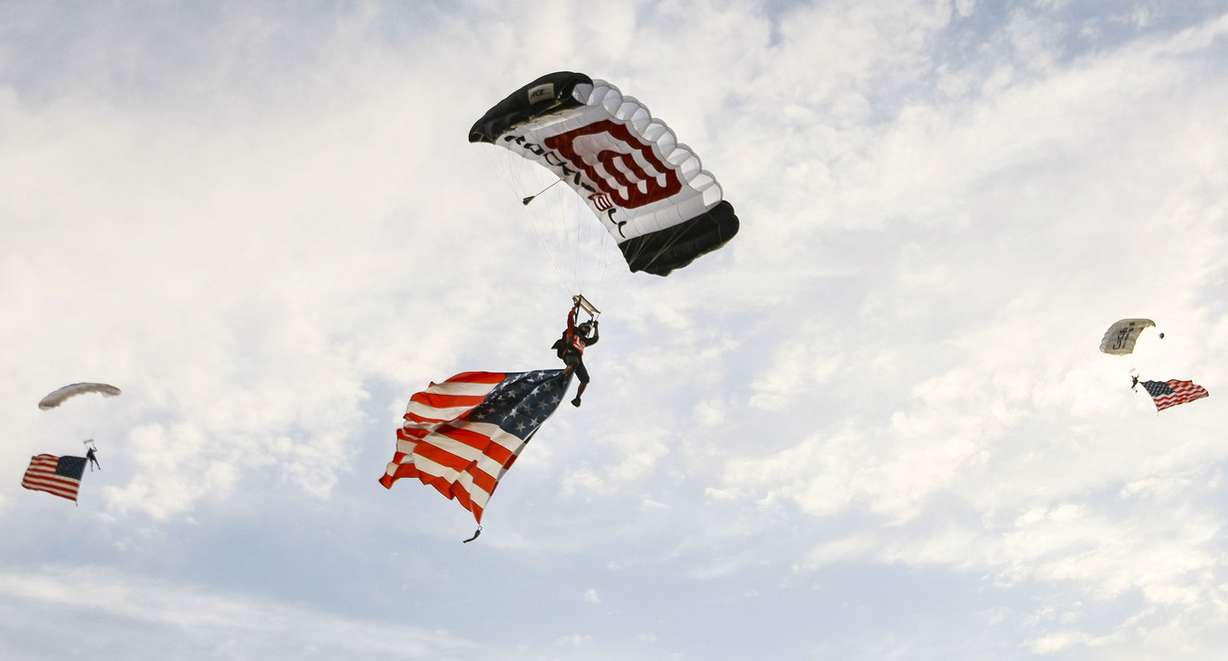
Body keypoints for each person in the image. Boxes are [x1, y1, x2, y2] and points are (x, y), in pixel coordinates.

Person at [552, 298, 599, 407]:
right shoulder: (573, 330)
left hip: (578, 358)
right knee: (574, 362)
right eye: (585, 327)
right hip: (568, 351)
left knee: (585, 379)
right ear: (581, 326)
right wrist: (574, 308)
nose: (586, 329)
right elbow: (570, 318)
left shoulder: (585, 341)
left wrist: (596, 327)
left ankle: (577, 398)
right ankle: (561, 378)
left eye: (588, 329)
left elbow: (595, 339)